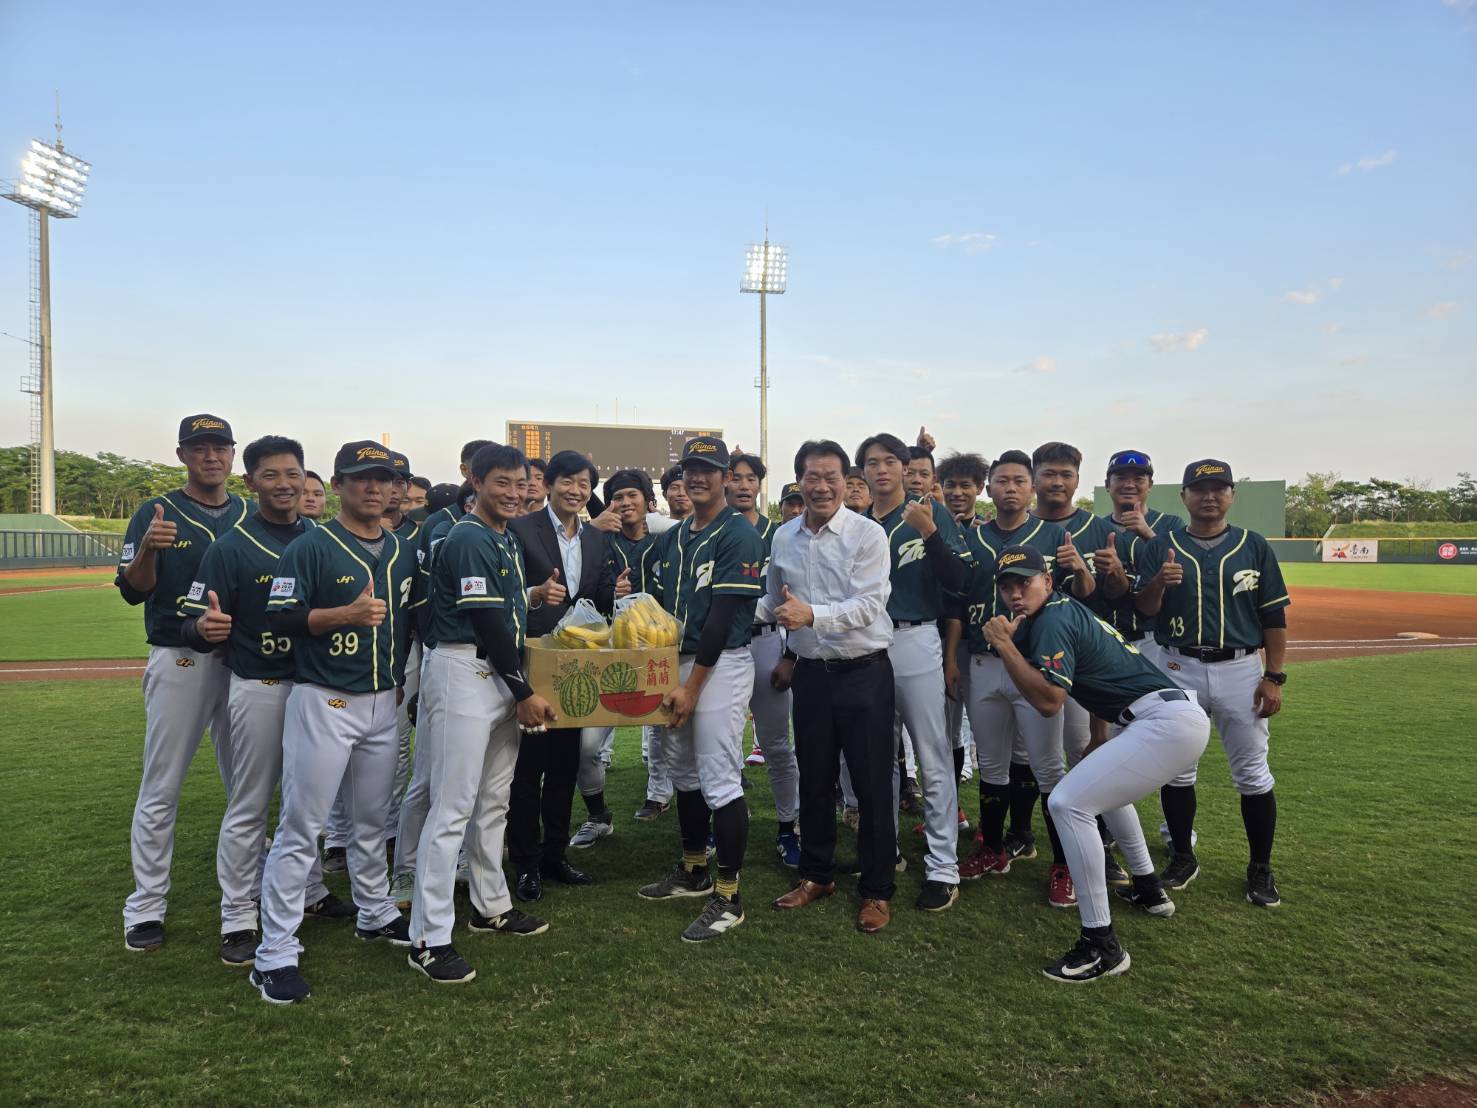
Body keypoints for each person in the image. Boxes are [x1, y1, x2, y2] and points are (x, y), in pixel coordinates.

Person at [982, 545, 1208, 982]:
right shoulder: (1061, 611)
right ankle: (1149, 889)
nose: (1015, 593)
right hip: (1164, 716)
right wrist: (1099, 737)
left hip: (1164, 722)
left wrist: (1005, 646)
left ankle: (1101, 944)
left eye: (1024, 583)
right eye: (1006, 586)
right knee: (1100, 792)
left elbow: (1049, 702)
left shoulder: (1052, 620)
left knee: (1067, 803)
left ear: (1048, 581)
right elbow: (1099, 669)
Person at [177, 434, 354, 965]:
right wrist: (201, 628)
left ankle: (310, 892)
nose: (284, 484)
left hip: (317, 687)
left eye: (293, 473)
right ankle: (237, 915)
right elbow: (190, 622)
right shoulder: (230, 546)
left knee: (307, 805)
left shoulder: (323, 537)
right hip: (262, 686)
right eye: (271, 475)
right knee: (251, 805)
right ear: (250, 481)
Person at [250, 440, 416, 1004]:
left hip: (382, 702)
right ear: (339, 484)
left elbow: (409, 625)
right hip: (325, 699)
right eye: (361, 477)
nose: (374, 487)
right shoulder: (311, 546)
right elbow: (280, 618)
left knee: (371, 821)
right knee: (303, 826)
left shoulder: (402, 549)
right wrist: (344, 614)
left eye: (383, 478)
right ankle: (274, 950)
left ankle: (373, 910)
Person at [408, 443, 558, 984]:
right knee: (451, 808)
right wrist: (522, 690)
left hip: (495, 673)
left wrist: (532, 598)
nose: (515, 493)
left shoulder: (503, 536)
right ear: (475, 481)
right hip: (464, 670)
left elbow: (506, 611)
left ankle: (490, 904)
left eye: (521, 483)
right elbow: (487, 621)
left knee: (493, 800)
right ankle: (427, 938)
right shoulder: (469, 535)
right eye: (502, 482)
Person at [116, 413, 250, 952]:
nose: (210, 456)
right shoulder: (156, 511)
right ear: (181, 455)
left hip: (241, 661)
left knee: (247, 787)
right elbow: (133, 591)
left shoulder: (249, 512)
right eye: (199, 447)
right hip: (181, 658)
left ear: (233, 453)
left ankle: (246, 898)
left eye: (219, 447)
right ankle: (146, 905)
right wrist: (149, 547)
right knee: (162, 784)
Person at [1134, 459, 1290, 907]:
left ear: (1232, 496)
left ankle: (1260, 867)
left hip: (1242, 669)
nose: (1209, 496)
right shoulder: (1161, 546)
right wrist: (1159, 583)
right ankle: (1182, 856)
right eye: (1200, 488)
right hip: (1177, 664)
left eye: (1219, 488)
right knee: (1177, 768)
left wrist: (1274, 676)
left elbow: (1273, 616)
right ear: (1184, 496)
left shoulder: (1253, 545)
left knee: (1253, 772)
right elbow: (1144, 609)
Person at [949, 449, 1096, 909]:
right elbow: (955, 601)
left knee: (1048, 765)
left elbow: (1082, 599)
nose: (1010, 488)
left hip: (1035, 662)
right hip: (982, 661)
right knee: (992, 765)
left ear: (1031, 487)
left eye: (1019, 480)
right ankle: (993, 849)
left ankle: (1064, 864)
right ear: (988, 488)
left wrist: (1081, 569)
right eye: (1002, 481)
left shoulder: (1055, 535)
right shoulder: (970, 536)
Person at [765, 440, 897, 934]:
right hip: (812, 675)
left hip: (864, 673)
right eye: (811, 477)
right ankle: (817, 875)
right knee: (815, 779)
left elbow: (869, 606)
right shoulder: (783, 537)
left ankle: (877, 889)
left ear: (846, 481)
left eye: (831, 477)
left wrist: (812, 615)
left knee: (871, 784)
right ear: (799, 481)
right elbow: (773, 600)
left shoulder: (868, 535)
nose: (821, 486)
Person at [635, 437, 764, 942]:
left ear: (726, 477)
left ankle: (729, 897)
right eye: (690, 468)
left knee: (719, 779)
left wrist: (691, 687)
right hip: (676, 660)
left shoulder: (739, 534)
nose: (697, 477)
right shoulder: (674, 537)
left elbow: (723, 619)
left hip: (720, 663)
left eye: (709, 469)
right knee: (683, 772)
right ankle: (694, 870)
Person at [858, 433, 971, 912]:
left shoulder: (928, 512)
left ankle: (943, 866)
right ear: (862, 472)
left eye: (890, 461)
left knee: (932, 754)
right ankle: (886, 854)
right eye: (872, 463)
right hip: (865, 642)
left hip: (916, 637)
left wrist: (930, 532)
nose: (882, 470)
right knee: (877, 757)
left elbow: (961, 582)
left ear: (906, 467)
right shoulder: (857, 524)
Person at [506, 450, 613, 901]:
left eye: (584, 483)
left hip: (575, 667)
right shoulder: (520, 530)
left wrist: (616, 590)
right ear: (547, 485)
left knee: (565, 767)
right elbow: (503, 591)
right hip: (531, 664)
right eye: (567, 481)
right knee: (527, 770)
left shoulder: (596, 539)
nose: (576, 491)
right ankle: (525, 862)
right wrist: (534, 593)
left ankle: (555, 854)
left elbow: (597, 598)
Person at [1028, 442, 1129, 886]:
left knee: (1088, 754)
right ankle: (1059, 854)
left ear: (1077, 480)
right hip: (1036, 659)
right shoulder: (1021, 529)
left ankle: (1101, 848)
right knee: (1043, 763)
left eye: (1066, 474)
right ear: (1035, 478)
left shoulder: (1099, 529)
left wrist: (1098, 571)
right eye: (1049, 473)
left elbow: (1115, 600)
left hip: (1086, 664)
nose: (1057, 482)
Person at [725, 451, 802, 866]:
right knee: (720, 743)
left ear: (759, 484)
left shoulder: (782, 533)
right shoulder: (714, 528)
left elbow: (797, 596)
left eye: (750, 478)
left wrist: (790, 654)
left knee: (776, 743)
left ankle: (788, 827)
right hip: (723, 645)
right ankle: (722, 824)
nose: (743, 485)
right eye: (735, 477)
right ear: (725, 481)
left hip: (768, 640)